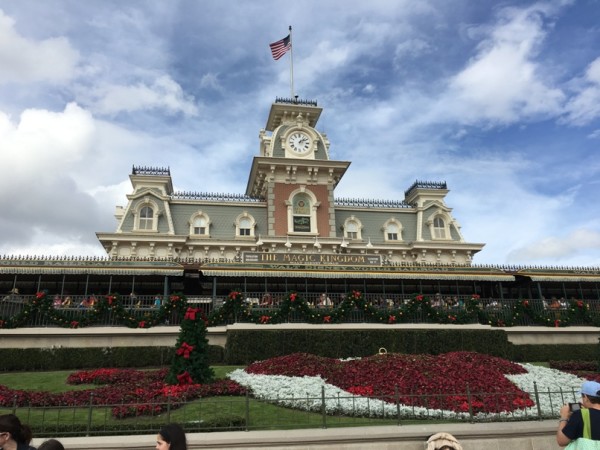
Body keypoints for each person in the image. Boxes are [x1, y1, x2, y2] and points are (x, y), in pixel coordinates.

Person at [557, 380, 600, 447]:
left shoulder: (580, 415)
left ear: (585, 397)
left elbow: (562, 441)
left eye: (582, 396)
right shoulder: (582, 414)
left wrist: (564, 417)